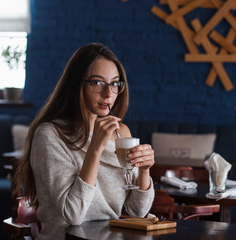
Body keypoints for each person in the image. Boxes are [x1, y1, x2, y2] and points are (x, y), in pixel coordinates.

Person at [15, 43, 155, 239]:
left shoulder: (121, 133)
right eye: (97, 83)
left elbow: (136, 212)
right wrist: (95, 148)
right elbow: (72, 215)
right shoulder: (49, 135)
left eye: (115, 84)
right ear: (76, 84)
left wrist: (145, 171)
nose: (108, 93)